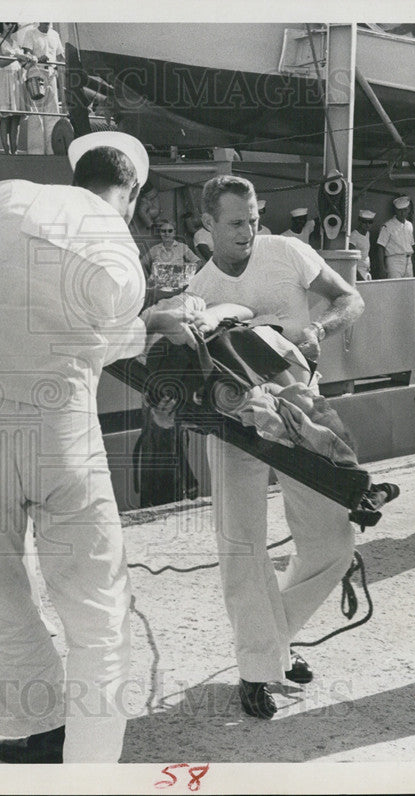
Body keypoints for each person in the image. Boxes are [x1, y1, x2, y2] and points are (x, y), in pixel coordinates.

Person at [0, 131, 193, 763]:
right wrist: (156, 324)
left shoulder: (11, 197)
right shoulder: (121, 250)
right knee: (95, 604)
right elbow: (110, 341)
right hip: (62, 430)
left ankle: (35, 731)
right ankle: (90, 759)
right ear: (134, 190)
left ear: (75, 173)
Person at [188, 174, 365, 720]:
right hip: (234, 423)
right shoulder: (200, 292)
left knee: (334, 540)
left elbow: (349, 298)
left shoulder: (288, 252)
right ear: (208, 227)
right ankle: (257, 669)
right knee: (241, 545)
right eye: (236, 223)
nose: (249, 232)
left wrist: (322, 328)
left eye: (254, 219)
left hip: (301, 413)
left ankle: (273, 644)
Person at [20, 23, 65, 155]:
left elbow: (60, 56)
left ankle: (52, 150)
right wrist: (38, 59)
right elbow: (26, 56)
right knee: (36, 115)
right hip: (36, 74)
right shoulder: (31, 33)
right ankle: (36, 151)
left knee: (53, 113)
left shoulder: (55, 35)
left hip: (51, 75)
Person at [0, 23, 27, 154]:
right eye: (6, 23)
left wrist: (30, 60)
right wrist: (17, 56)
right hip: (5, 79)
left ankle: (14, 150)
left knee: (15, 117)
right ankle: (6, 150)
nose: (9, 26)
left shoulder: (16, 43)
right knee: (5, 116)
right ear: (1, 25)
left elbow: (22, 64)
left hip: (16, 79)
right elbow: (1, 62)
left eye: (12, 23)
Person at [147, 218, 202, 290]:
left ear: (174, 233)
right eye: (163, 231)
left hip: (177, 287)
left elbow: (198, 262)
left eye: (170, 231)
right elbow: (142, 263)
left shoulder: (182, 247)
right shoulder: (154, 249)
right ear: (160, 233)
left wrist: (187, 275)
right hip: (158, 288)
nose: (167, 234)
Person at [375, 195, 415, 278]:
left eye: (405, 210)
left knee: (408, 287)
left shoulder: (409, 225)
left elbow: (411, 245)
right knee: (394, 287)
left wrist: (414, 265)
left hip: (408, 261)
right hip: (394, 261)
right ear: (395, 211)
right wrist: (382, 268)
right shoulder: (387, 226)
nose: (402, 213)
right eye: (400, 210)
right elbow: (380, 247)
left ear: (409, 210)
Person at [348, 209, 376, 281]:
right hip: (358, 272)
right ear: (359, 221)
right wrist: (358, 276)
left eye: (370, 222)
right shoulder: (354, 236)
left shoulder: (367, 234)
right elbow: (352, 260)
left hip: (366, 271)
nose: (367, 225)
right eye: (365, 222)